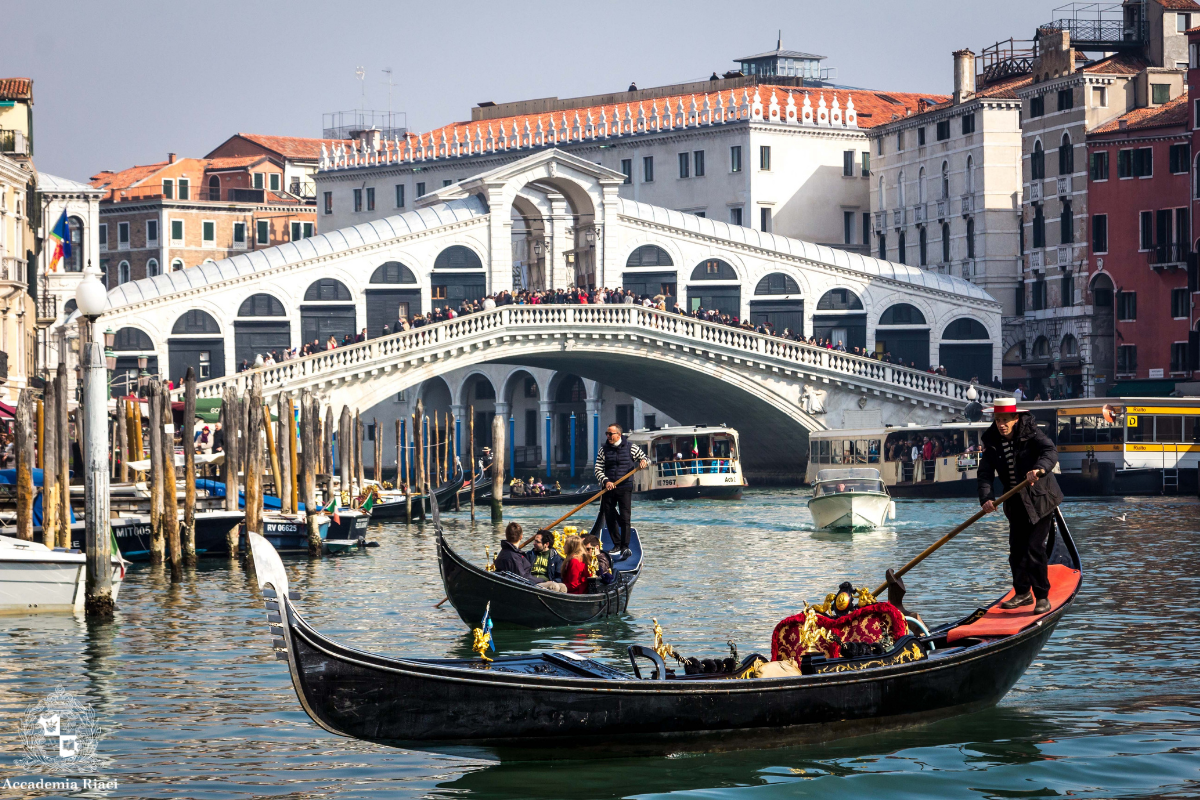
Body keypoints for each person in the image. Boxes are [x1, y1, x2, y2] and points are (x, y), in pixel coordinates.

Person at [978, 397, 1063, 615]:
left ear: (1015, 418)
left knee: (1034, 548)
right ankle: (1023, 593)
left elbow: (1050, 452)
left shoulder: (1031, 432)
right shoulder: (991, 440)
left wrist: (1039, 469)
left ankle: (1042, 596)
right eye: (998, 420)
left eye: (1005, 420)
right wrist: (987, 498)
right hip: (1015, 501)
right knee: (1016, 551)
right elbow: (985, 473)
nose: (1001, 425)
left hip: (1041, 498)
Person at [592, 423, 648, 556]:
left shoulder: (631, 448)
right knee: (610, 515)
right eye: (607, 434)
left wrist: (643, 462)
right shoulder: (603, 450)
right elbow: (598, 469)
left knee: (625, 517)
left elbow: (646, 459)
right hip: (608, 488)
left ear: (619, 435)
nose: (608, 436)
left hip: (625, 487)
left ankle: (625, 546)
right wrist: (606, 481)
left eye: (610, 434)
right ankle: (616, 544)